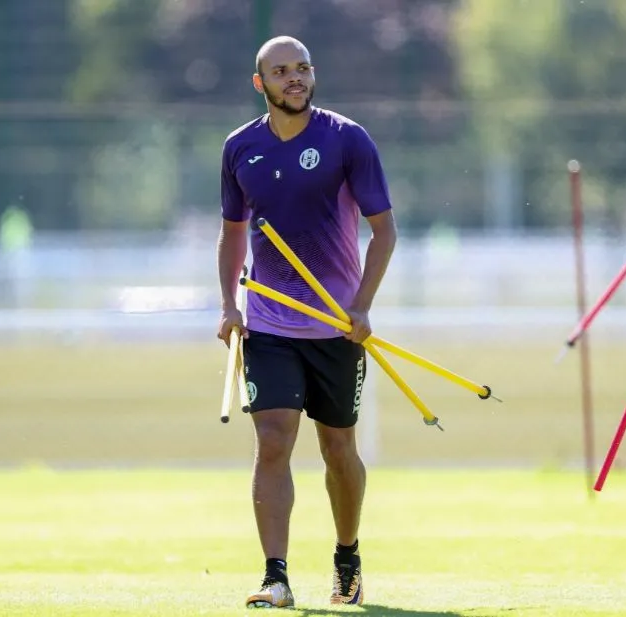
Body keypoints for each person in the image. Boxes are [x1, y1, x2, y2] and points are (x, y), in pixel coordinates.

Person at [216, 35, 397, 608]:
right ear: (260, 83)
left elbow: (384, 231)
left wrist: (362, 306)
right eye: (281, 71)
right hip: (269, 322)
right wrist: (229, 305)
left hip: (335, 327)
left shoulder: (348, 140)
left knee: (338, 451)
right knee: (272, 441)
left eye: (302, 68)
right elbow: (233, 234)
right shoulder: (239, 149)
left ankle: (347, 556)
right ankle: (276, 575)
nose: (294, 78)